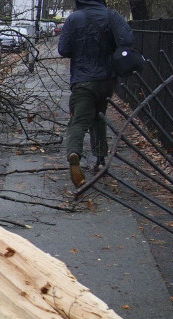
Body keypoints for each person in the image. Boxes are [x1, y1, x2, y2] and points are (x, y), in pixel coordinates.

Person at [58, 0, 135, 187]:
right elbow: (128, 41)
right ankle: (100, 158)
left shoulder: (74, 19)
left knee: (79, 120)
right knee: (99, 117)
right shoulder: (112, 16)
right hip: (107, 79)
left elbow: (63, 49)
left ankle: (74, 153)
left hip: (83, 79)